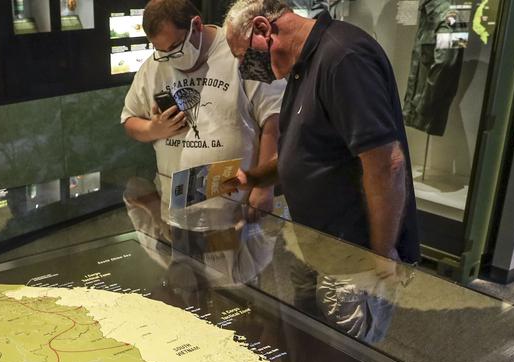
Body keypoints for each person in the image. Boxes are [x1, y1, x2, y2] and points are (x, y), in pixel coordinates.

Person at [224, 0, 421, 265]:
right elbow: (306, 152)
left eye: (244, 57)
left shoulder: (343, 58)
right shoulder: (302, 66)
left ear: (262, 29)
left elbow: (387, 164)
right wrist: (254, 178)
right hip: (319, 243)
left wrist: (381, 253)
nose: (246, 69)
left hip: (354, 256)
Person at [121, 0, 286, 230]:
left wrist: (263, 187)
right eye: (162, 52)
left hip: (237, 208)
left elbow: (273, 119)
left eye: (177, 46)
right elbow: (129, 120)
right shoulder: (153, 66)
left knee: (243, 263)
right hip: (177, 209)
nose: (171, 57)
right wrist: (153, 129)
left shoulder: (240, 49)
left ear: (196, 25)